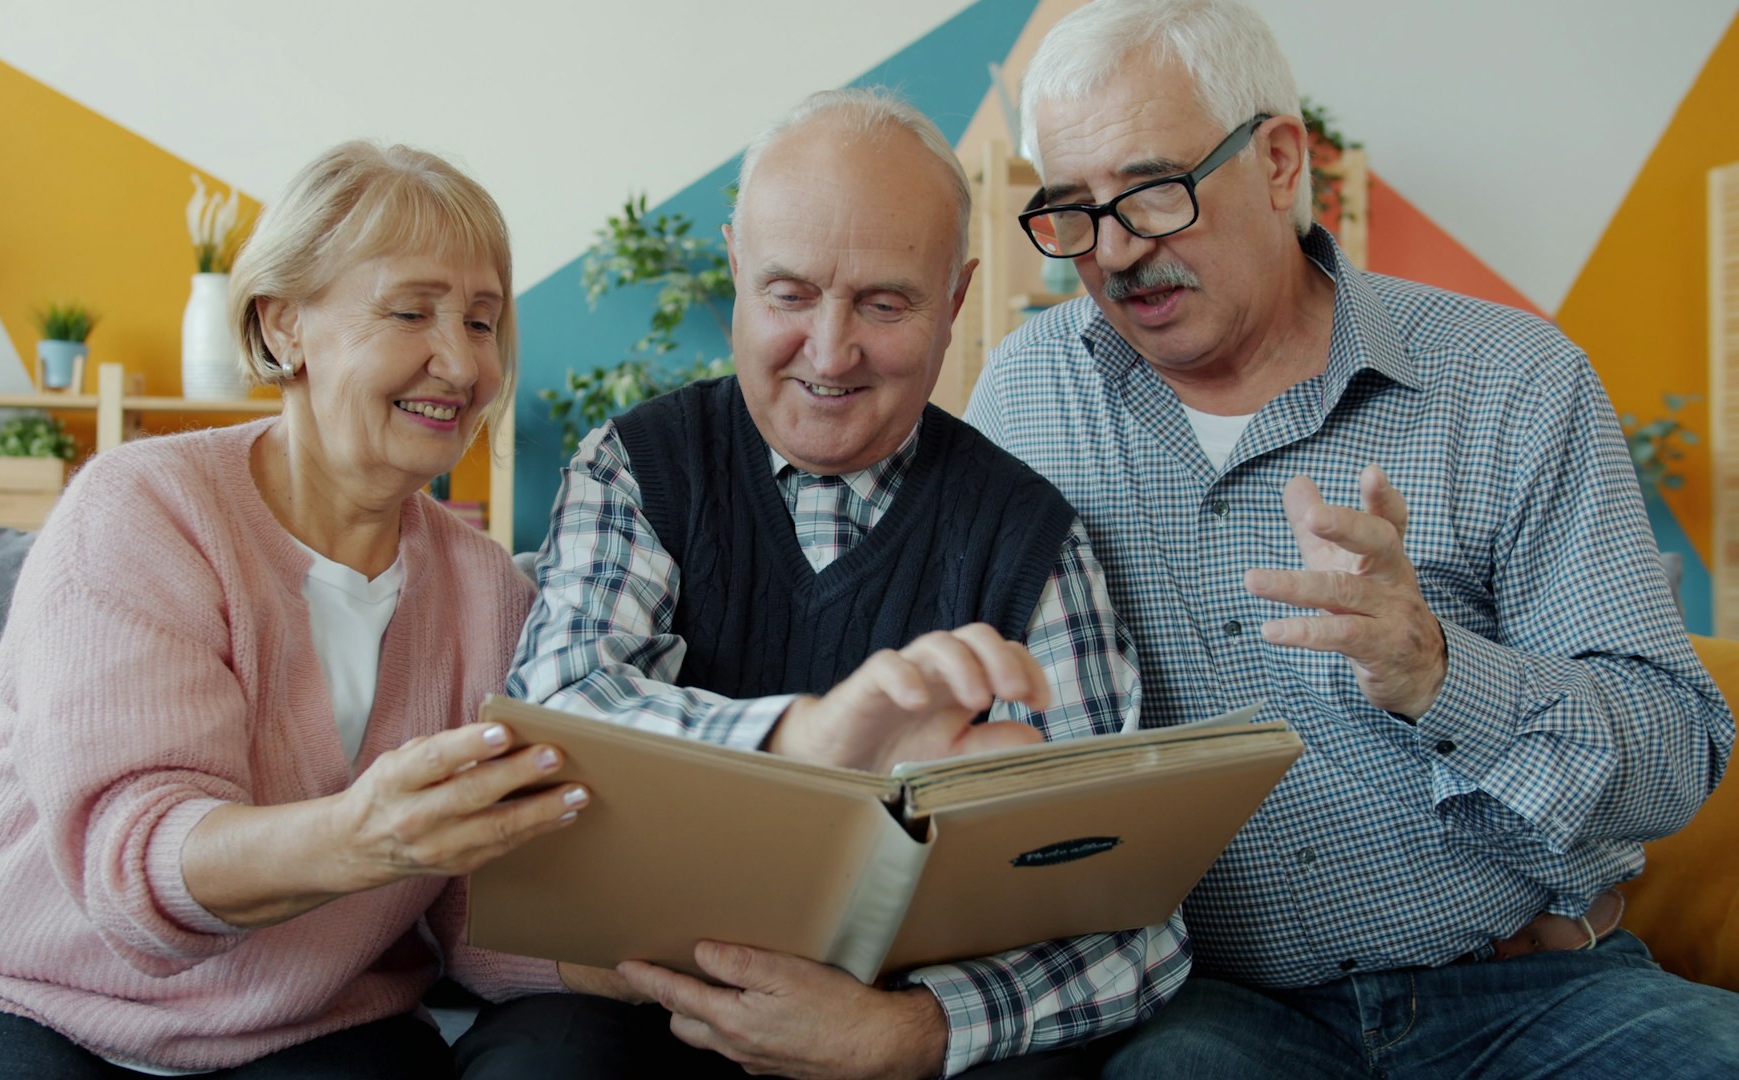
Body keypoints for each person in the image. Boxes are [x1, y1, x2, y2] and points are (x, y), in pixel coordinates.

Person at [964, 1, 1739, 1075]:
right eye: (1074, 211)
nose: (1118, 253)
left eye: (1151, 192)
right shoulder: (1025, 397)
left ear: (1280, 160)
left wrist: (1440, 672)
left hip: (1536, 985)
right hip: (1221, 1011)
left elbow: (1676, 752)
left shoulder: (1514, 380)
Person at [458, 88, 1186, 1080]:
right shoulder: (639, 468)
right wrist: (805, 740)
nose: (831, 352)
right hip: (646, 1012)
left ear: (958, 297)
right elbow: (560, 722)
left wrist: (908, 1034)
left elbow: (1131, 919)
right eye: (790, 295)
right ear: (735, 270)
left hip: (904, 1028)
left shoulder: (1032, 542)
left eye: (884, 304)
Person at [0, 141, 596, 1080]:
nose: (459, 361)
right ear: (284, 326)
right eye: (411, 312)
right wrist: (362, 835)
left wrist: (680, 962)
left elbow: (479, 929)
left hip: (309, 1026)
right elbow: (138, 868)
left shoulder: (492, 594)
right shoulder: (145, 509)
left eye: (483, 322)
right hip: (32, 1002)